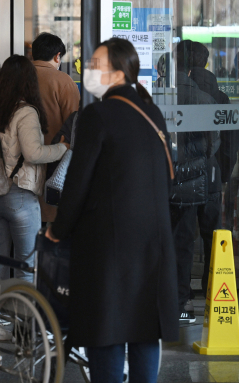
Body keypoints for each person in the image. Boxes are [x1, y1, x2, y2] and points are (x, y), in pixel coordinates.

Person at [46, 38, 179, 382]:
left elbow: (77, 182)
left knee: (105, 326)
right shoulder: (152, 112)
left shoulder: (98, 115)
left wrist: (57, 229)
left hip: (109, 241)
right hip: (154, 238)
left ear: (119, 72)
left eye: (96, 64)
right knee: (144, 326)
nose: (89, 69)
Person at [0, 55, 67, 282]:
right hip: (19, 195)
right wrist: (63, 148)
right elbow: (34, 153)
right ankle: (21, 317)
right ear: (29, 81)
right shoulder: (26, 112)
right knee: (26, 262)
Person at [186, 41, 239, 298]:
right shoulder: (220, 97)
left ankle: (181, 296)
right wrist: (220, 171)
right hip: (212, 175)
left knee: (183, 237)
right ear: (207, 63)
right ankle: (212, 290)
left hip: (182, 179)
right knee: (212, 235)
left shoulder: (177, 92)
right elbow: (230, 143)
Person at [171, 40, 219, 323]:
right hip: (203, 177)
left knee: (179, 242)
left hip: (171, 180)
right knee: (203, 238)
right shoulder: (207, 98)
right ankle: (206, 298)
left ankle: (179, 300)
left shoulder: (162, 96)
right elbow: (215, 144)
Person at [31, 33, 80, 223]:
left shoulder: (16, 78)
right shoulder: (63, 81)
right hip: (54, 161)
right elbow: (74, 122)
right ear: (57, 56)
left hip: (18, 164)